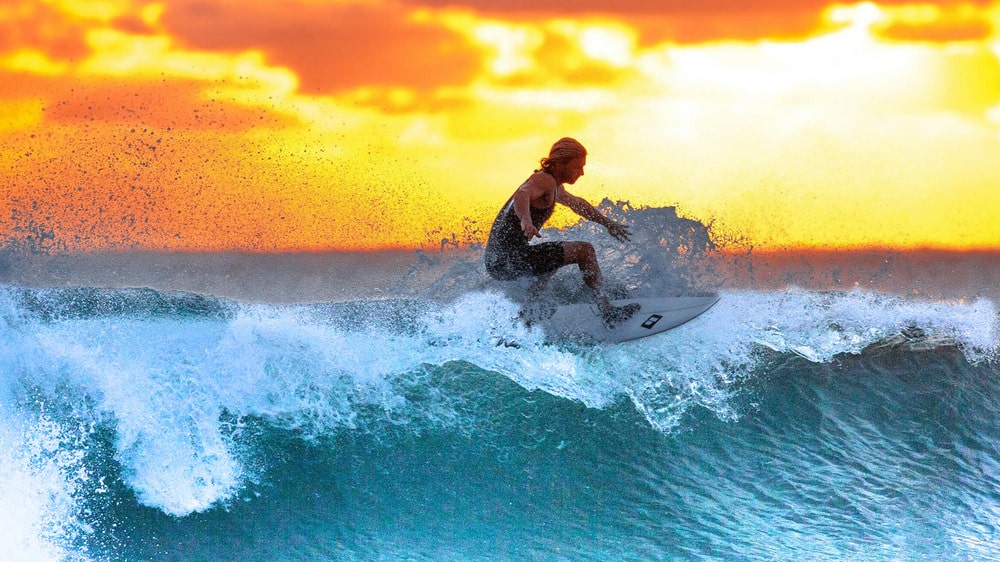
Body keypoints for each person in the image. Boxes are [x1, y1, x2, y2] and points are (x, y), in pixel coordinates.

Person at [484, 137, 639, 327]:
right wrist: (525, 219)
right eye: (577, 167)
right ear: (559, 163)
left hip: (498, 261)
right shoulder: (544, 180)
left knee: (555, 257)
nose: (581, 173)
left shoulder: (554, 185)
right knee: (584, 251)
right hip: (507, 259)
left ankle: (525, 314)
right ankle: (607, 311)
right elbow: (522, 194)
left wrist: (607, 223)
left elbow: (578, 205)